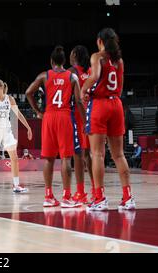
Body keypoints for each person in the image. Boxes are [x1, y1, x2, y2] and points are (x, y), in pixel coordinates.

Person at [80, 28, 135, 211]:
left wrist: (84, 90)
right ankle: (128, 197)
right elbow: (120, 88)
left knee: (97, 154)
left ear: (99, 41)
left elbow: (94, 77)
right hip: (117, 105)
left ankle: (99, 198)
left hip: (100, 105)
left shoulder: (97, 57)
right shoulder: (119, 61)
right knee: (119, 155)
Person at [25, 45, 83, 208]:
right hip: (64, 116)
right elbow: (78, 101)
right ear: (64, 62)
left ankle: (48, 196)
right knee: (66, 158)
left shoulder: (44, 75)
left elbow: (29, 92)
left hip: (49, 117)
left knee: (49, 159)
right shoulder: (72, 77)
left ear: (51, 62)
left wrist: (38, 111)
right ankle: (66, 196)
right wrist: (86, 119)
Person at [0, 79, 32, 194]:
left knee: (14, 158)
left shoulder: (9, 99)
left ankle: (16, 186)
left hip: (7, 130)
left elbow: (19, 114)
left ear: (1, 88)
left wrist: (28, 127)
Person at [68, 45, 95, 203]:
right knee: (90, 155)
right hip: (93, 112)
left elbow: (72, 97)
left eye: (71, 53)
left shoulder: (72, 72)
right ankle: (95, 189)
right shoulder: (91, 71)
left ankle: (80, 192)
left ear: (75, 55)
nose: (70, 56)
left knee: (77, 155)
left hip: (79, 115)